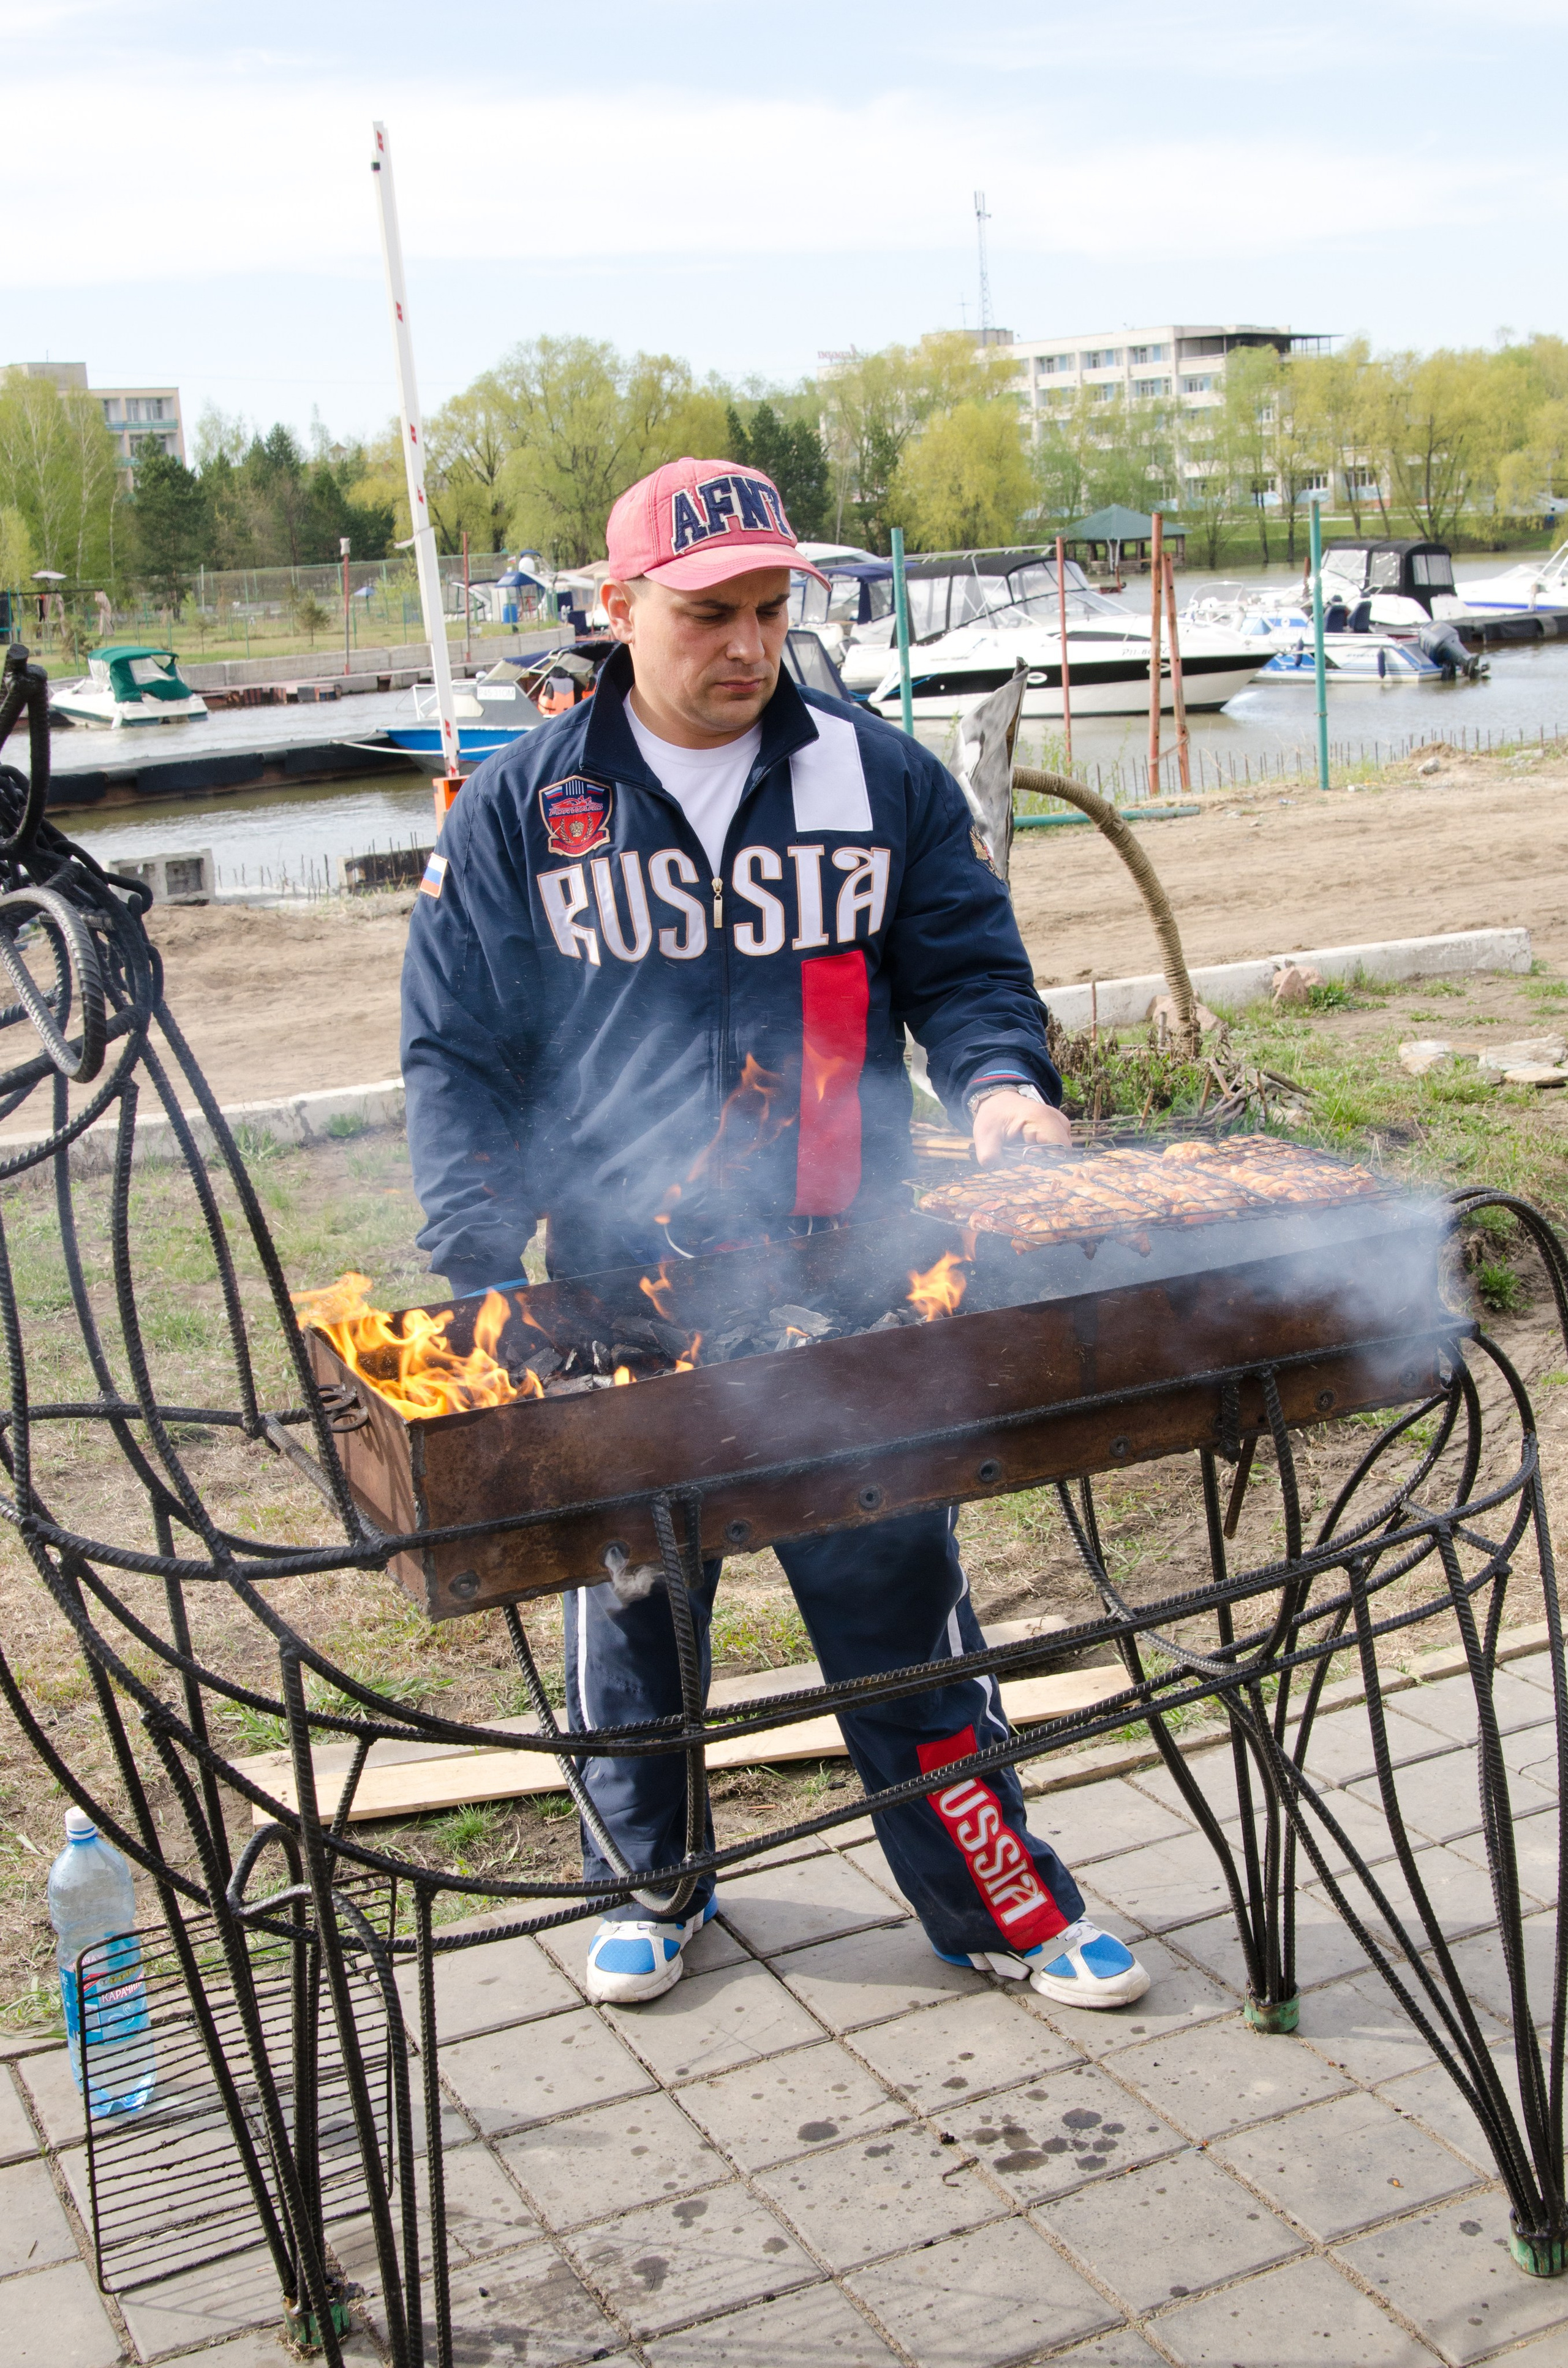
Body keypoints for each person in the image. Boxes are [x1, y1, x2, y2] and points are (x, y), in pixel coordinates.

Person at [401, 457, 1150, 2016]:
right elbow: (458, 1055)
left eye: (768, 609)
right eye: (706, 614)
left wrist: (1005, 1089)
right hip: (617, 1280)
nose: (746, 646)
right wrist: (480, 1277)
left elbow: (963, 970)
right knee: (633, 1592)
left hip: (843, 1257)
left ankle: (991, 1900)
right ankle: (651, 1883)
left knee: (895, 1593)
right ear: (617, 611)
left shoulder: (878, 781)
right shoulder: (528, 808)